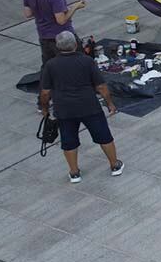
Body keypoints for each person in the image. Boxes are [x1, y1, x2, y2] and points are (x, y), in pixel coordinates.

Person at [40, 31, 123, 183]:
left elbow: (45, 92)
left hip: (64, 110)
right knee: (104, 136)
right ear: (75, 44)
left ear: (58, 47)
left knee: (69, 141)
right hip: (89, 106)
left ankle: (74, 172)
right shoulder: (86, 61)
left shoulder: (50, 65)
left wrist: (45, 109)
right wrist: (110, 103)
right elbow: (101, 86)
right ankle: (114, 165)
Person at [24, 0, 85, 111]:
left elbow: (28, 13)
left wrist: (42, 11)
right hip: (62, 37)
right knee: (77, 66)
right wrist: (75, 6)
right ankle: (77, 99)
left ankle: (42, 103)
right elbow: (61, 20)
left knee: (47, 70)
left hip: (44, 36)